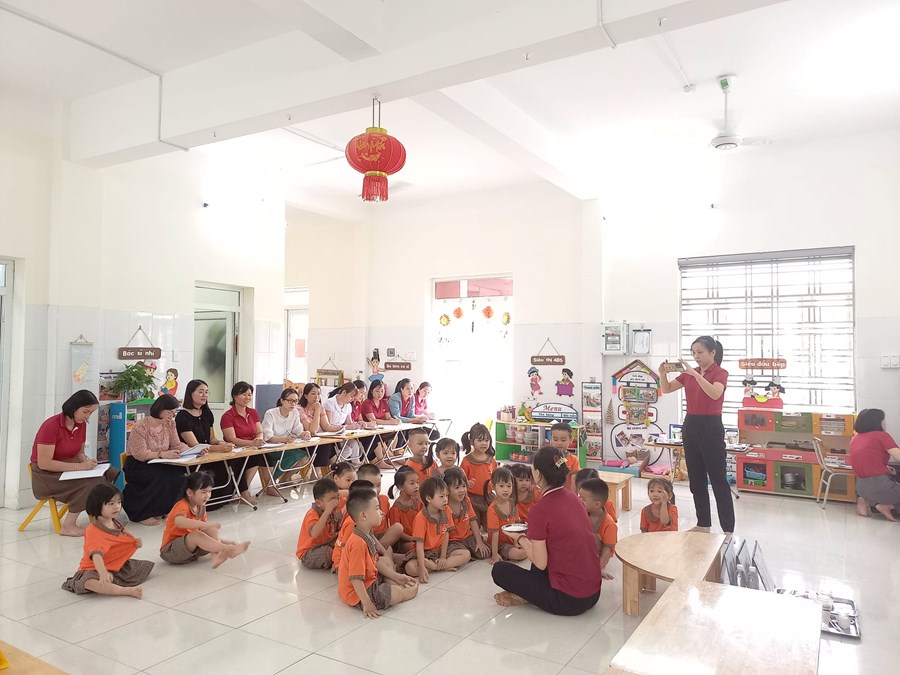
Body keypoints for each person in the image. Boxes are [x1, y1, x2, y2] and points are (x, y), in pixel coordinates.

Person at [491, 446, 602, 615]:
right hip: (593, 593)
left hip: (569, 600)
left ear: (537, 474)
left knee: (499, 570)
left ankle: (527, 595)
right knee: (541, 548)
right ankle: (531, 593)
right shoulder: (574, 498)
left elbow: (540, 563)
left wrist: (519, 538)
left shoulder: (539, 510)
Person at [658, 336, 734, 534]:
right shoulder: (688, 374)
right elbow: (666, 389)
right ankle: (703, 524)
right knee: (696, 478)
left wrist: (695, 374)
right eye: (693, 353)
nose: (696, 356)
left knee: (718, 479)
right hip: (691, 424)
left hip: (711, 426)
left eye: (700, 352)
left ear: (712, 353)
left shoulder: (720, 373)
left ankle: (728, 529)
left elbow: (715, 393)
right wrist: (662, 373)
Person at [30, 390, 119, 537]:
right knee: (91, 482)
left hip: (69, 468)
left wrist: (87, 462)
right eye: (85, 412)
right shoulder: (51, 425)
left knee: (110, 472)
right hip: (47, 475)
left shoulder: (81, 424)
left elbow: (79, 453)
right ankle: (68, 525)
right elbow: (44, 463)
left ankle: (102, 516)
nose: (88, 417)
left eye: (91, 413)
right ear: (73, 407)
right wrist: (79, 467)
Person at [61, 483, 153, 598]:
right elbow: (96, 555)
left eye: (119, 502)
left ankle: (113, 580)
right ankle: (126, 591)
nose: (117, 507)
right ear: (97, 505)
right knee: (89, 582)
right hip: (94, 568)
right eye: (111, 503)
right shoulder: (93, 531)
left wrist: (134, 542)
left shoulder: (115, 523)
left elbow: (121, 538)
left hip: (112, 564)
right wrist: (102, 572)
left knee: (140, 567)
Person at [337, 488, 418, 618]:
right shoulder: (358, 543)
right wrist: (367, 603)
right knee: (396, 593)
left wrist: (396, 576)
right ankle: (404, 593)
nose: (381, 512)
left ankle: (392, 582)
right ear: (363, 516)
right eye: (376, 509)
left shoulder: (366, 533)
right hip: (357, 593)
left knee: (385, 561)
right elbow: (356, 578)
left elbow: (375, 562)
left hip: (368, 579)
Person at [123, 395, 189, 526]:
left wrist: (192, 450)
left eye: (174, 413)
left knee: (178, 473)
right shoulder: (140, 427)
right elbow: (140, 453)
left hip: (161, 461)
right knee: (158, 476)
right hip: (138, 463)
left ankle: (164, 509)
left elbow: (176, 444)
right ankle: (142, 514)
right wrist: (162, 454)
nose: (172, 416)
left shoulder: (170, 424)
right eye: (170, 412)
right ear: (160, 410)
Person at [160, 472, 250, 568]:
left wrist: (223, 539)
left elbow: (204, 534)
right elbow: (179, 521)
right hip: (171, 551)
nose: (207, 496)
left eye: (209, 491)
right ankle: (226, 549)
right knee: (197, 534)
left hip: (192, 551)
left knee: (210, 530)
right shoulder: (182, 505)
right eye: (203, 492)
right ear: (190, 492)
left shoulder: (201, 507)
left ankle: (220, 553)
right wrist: (205, 525)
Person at [175, 379, 241, 509]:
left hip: (210, 454)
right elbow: (195, 446)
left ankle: (228, 496)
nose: (204, 395)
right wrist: (220, 448)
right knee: (215, 469)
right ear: (190, 393)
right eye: (201, 392)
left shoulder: (207, 413)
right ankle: (205, 501)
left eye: (206, 392)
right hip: (194, 458)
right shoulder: (182, 416)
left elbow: (211, 439)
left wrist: (222, 442)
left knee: (235, 461)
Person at [402, 477, 471, 582]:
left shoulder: (446, 510)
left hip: (441, 550)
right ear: (429, 498)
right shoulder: (421, 517)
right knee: (410, 568)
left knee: (466, 555)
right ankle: (438, 566)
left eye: (446, 495)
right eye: (441, 496)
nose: (446, 499)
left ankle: (435, 566)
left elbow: (446, 534)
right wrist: (422, 567)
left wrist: (443, 557)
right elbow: (419, 545)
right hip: (425, 553)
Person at [221, 382, 276, 502]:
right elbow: (232, 439)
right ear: (235, 396)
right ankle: (243, 492)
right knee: (255, 457)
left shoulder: (252, 412)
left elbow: (259, 431)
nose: (247, 397)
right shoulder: (228, 416)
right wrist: (252, 443)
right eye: (244, 394)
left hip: (252, 448)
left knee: (266, 456)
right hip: (235, 450)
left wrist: (259, 439)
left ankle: (268, 486)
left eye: (250, 394)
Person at [850, 408, 900, 520]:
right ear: (877, 422)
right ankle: (887, 506)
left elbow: (866, 460)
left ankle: (864, 500)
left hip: (860, 487)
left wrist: (885, 468)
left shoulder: (856, 438)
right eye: (883, 420)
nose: (885, 423)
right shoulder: (882, 436)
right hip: (879, 487)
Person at [262, 387, 313, 484]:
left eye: (296, 401)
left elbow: (298, 429)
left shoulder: (295, 412)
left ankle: (284, 478)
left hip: (286, 447)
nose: (293, 404)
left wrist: (305, 433)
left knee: (305, 458)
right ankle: (270, 482)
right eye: (290, 401)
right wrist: (284, 439)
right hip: (271, 448)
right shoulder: (270, 413)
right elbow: (268, 436)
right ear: (282, 401)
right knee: (295, 455)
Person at [444, 467, 491, 559]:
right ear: (447, 490)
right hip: (452, 541)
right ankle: (443, 563)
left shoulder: (466, 501)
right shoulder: (444, 506)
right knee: (465, 555)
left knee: (486, 552)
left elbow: (473, 521)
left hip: (468, 537)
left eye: (464, 486)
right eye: (457, 487)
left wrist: (479, 541)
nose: (462, 490)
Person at [296, 478, 342, 569]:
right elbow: (315, 534)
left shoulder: (333, 510)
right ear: (319, 503)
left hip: (327, 543)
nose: (336, 502)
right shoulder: (312, 514)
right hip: (310, 552)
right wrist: (327, 512)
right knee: (327, 553)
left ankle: (339, 557)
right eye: (332, 500)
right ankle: (338, 560)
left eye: (337, 497)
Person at [356, 464, 404, 550]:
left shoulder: (384, 499)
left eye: (378, 485)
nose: (375, 489)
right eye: (371, 486)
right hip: (366, 538)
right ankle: (375, 553)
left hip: (382, 537)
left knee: (398, 527)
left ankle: (378, 552)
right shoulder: (358, 504)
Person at [484, 466, 527, 564]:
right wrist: (495, 554)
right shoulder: (492, 509)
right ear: (493, 487)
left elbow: (516, 526)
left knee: (533, 543)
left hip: (512, 539)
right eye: (501, 486)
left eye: (509, 486)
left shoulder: (512, 503)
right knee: (520, 554)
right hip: (500, 544)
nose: (506, 490)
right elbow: (495, 534)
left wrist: (516, 542)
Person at [578, 478, 617, 580]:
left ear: (597, 504)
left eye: (583, 499)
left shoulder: (609, 524)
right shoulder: (581, 513)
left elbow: (607, 550)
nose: (579, 500)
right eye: (579, 496)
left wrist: (598, 568)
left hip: (598, 554)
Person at [460, 423, 497, 529]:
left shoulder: (491, 460)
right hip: (472, 499)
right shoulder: (466, 461)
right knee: (474, 525)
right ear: (472, 442)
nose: (484, 443)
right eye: (480, 440)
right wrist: (466, 483)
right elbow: (459, 480)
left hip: (488, 498)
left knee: (490, 526)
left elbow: (496, 478)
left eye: (486, 440)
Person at [298, 383, 343, 467]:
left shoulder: (320, 407)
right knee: (326, 446)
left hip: (317, 442)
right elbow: (312, 431)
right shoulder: (300, 409)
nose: (316, 397)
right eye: (313, 394)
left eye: (318, 394)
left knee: (332, 444)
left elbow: (326, 426)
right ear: (305, 396)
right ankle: (318, 472)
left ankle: (332, 471)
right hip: (305, 443)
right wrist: (317, 410)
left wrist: (341, 428)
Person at [360, 380, 401, 465]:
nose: (380, 394)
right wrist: (391, 422)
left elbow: (388, 417)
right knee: (378, 438)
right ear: (371, 391)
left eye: (382, 391)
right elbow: (373, 420)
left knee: (396, 433)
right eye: (377, 391)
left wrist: (393, 420)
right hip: (369, 432)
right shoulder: (367, 403)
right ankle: (386, 459)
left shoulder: (384, 402)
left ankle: (390, 456)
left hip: (381, 429)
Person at [323, 382, 364, 466]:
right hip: (330, 434)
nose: (352, 399)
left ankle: (356, 465)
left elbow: (349, 423)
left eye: (353, 397)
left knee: (354, 444)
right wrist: (347, 427)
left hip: (341, 434)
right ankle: (336, 466)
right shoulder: (329, 403)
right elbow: (328, 425)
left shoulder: (348, 406)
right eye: (351, 396)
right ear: (344, 392)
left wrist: (357, 425)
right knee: (347, 450)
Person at [387, 467, 420, 552]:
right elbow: (398, 533)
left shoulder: (417, 502)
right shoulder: (396, 508)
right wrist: (413, 538)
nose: (416, 486)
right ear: (401, 487)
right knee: (416, 548)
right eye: (412, 483)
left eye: (417, 482)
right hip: (404, 542)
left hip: (418, 538)